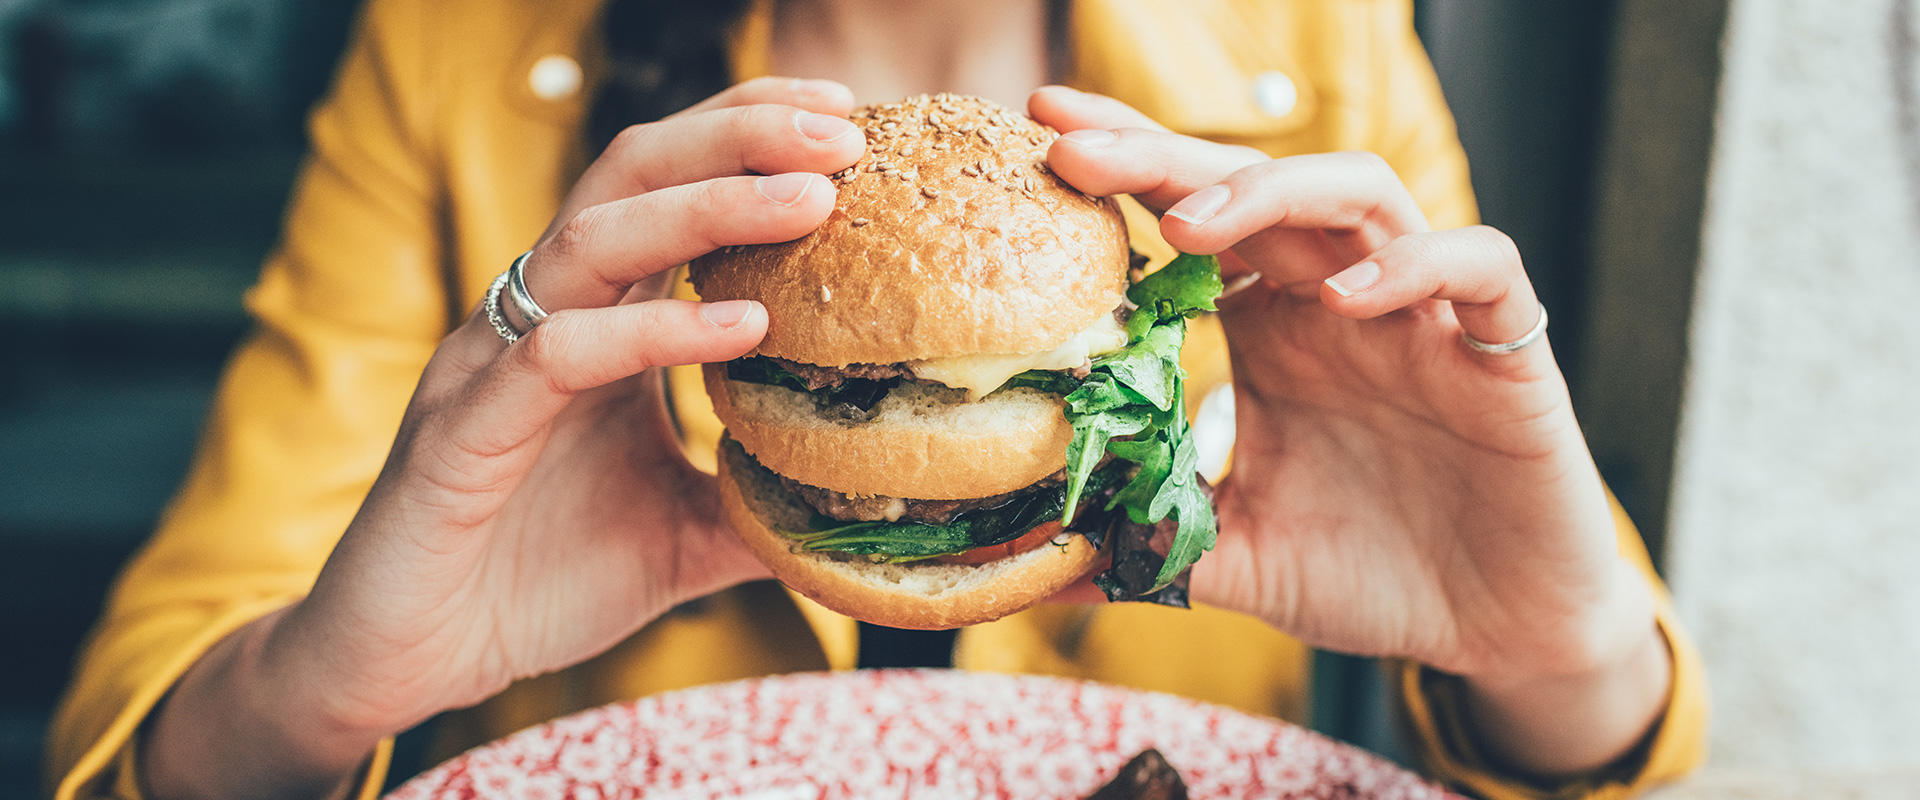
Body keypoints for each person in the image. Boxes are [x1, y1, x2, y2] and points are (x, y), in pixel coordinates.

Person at [47, 0, 1707, 798]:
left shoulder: (1317, 46)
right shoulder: (457, 51)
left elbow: (1602, 726)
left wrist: (1549, 653)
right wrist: (335, 681)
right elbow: (144, 713)